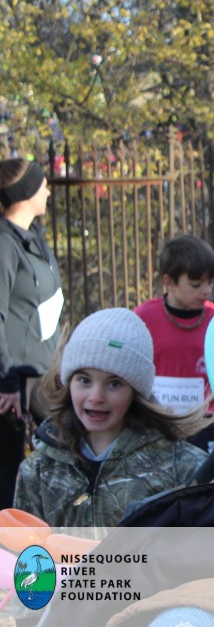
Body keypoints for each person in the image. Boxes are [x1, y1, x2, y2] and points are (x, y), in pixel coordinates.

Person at [13, 308, 207, 529]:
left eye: (114, 383)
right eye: (84, 380)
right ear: (68, 383)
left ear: (135, 391)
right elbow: (23, 547)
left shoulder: (182, 468)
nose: (96, 397)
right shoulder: (39, 469)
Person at [135, 234, 214, 451]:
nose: (207, 290)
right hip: (152, 426)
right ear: (169, 282)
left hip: (201, 427)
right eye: (196, 284)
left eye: (210, 282)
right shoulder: (144, 317)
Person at [0, 158, 63, 509]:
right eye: (42, 185)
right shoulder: (4, 245)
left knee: (66, 447)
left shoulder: (34, 237)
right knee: (7, 468)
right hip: (14, 379)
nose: (48, 191)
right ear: (26, 193)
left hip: (44, 368)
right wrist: (6, 383)